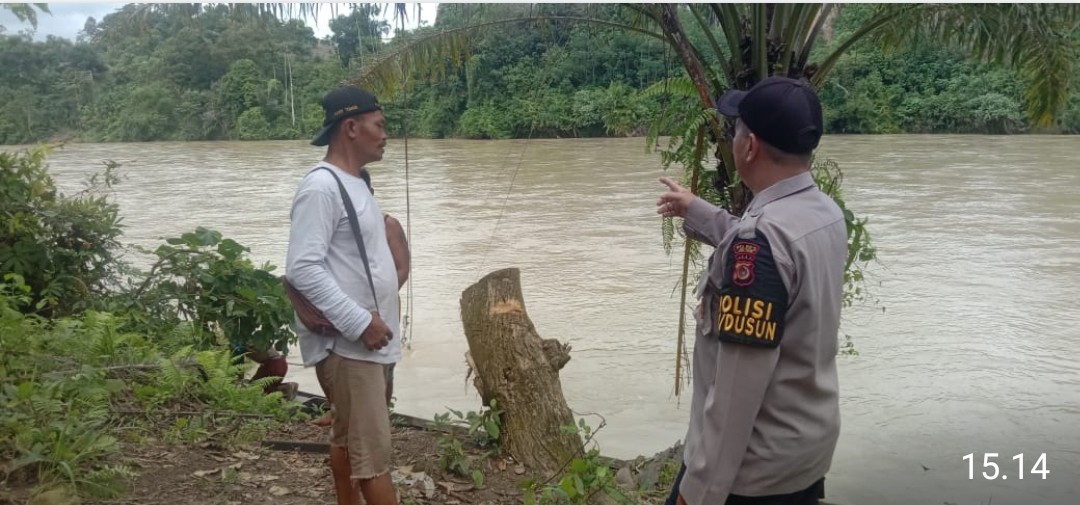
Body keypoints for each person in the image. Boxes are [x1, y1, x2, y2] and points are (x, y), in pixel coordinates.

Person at [656, 76, 846, 505]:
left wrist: (700, 491)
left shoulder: (759, 241)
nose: (735, 138)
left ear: (750, 146)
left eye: (736, 129)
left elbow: (737, 388)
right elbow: (768, 254)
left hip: (749, 475)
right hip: (802, 453)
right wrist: (699, 212)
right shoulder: (824, 213)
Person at [285, 85, 400, 505]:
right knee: (373, 458)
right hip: (353, 346)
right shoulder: (322, 188)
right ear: (351, 127)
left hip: (370, 343)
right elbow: (302, 268)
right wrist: (360, 322)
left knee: (350, 440)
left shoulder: (357, 184)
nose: (386, 134)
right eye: (379, 125)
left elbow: (360, 264)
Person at [312, 169, 410, 427]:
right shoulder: (335, 224)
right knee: (329, 358)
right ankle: (337, 411)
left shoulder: (387, 223)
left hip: (382, 307)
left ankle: (381, 415)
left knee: (383, 364)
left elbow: (402, 268)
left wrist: (377, 297)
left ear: (370, 193)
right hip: (341, 306)